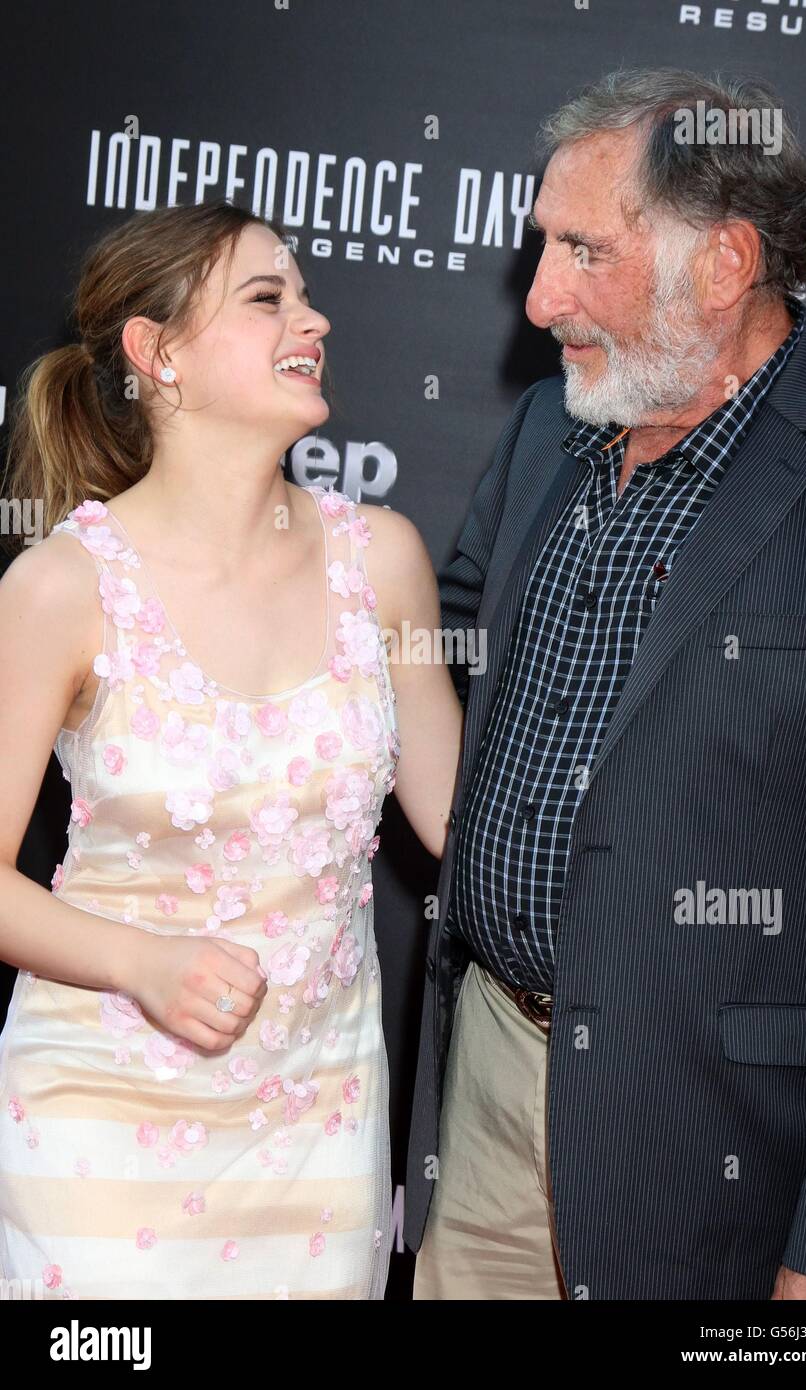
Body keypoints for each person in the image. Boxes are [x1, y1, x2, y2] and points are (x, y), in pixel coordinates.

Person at [405, 68, 806, 1300]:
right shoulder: (546, 430)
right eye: (541, 246)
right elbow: (446, 647)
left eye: (580, 250)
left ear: (719, 266)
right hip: (489, 1075)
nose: (539, 295)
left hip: (711, 1142)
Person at [0, 200, 462, 1300]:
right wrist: (143, 964)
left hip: (322, 1127)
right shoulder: (63, 587)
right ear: (155, 356)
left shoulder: (381, 560)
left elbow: (464, 826)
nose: (314, 319)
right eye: (267, 298)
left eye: (303, 294)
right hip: (101, 1128)